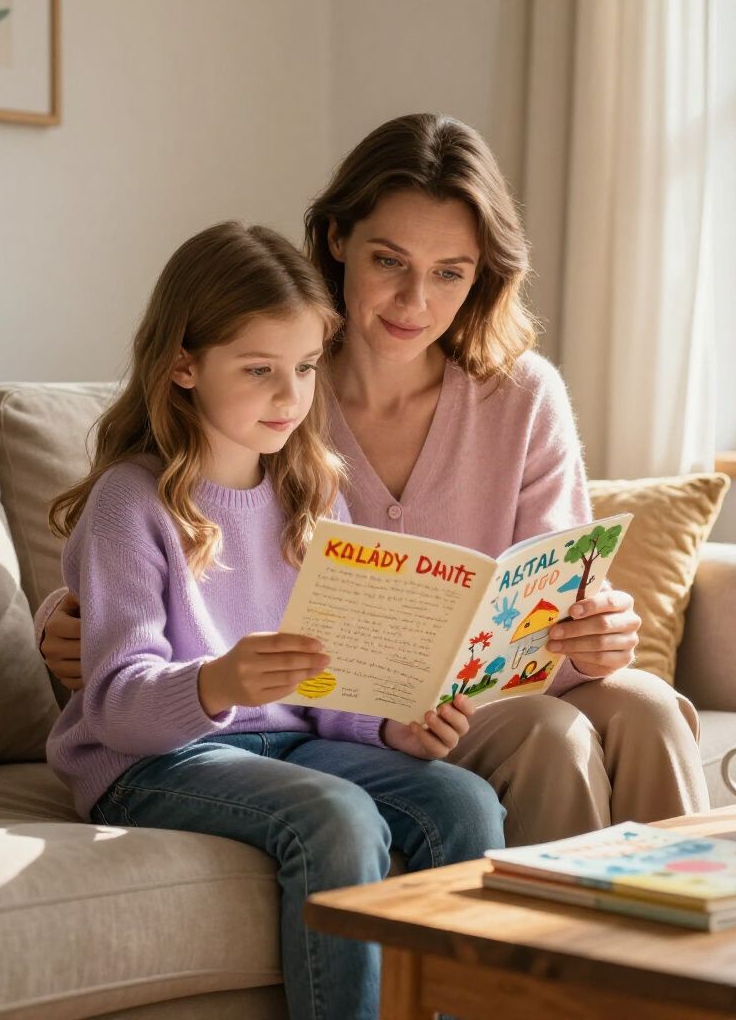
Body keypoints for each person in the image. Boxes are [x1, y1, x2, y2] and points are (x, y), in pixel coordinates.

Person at [39, 114, 709, 843]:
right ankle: (542, 953)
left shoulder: (522, 397)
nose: (413, 303)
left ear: (482, 273)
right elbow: (177, 526)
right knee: (549, 735)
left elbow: (552, 590)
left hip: (476, 692)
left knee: (649, 706)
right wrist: (59, 621)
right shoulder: (280, 389)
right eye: (389, 262)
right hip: (365, 712)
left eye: (449, 273)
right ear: (337, 240)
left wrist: (596, 632)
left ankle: (700, 934)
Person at [44, 221, 506, 1020]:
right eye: (259, 370)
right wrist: (217, 681)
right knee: (334, 815)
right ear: (183, 364)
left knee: (464, 802)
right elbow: (116, 705)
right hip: (155, 763)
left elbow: (327, 680)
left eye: (303, 368)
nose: (291, 398)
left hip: (289, 741)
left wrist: (391, 727)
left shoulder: (309, 493)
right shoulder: (133, 503)